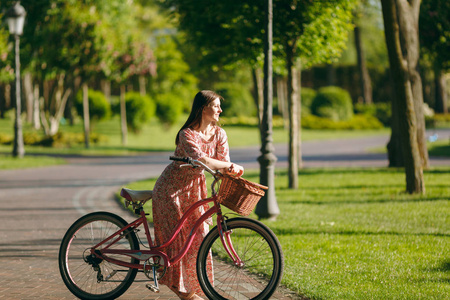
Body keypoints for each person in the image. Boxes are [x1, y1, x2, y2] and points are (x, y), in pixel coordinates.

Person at [152, 90, 244, 300]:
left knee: (200, 238)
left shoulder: (220, 134)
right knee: (175, 243)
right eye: (216, 105)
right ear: (203, 108)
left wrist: (232, 170)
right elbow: (203, 160)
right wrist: (230, 165)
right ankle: (186, 295)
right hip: (170, 191)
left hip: (195, 191)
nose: (220, 110)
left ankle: (198, 290)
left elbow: (222, 165)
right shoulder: (187, 134)